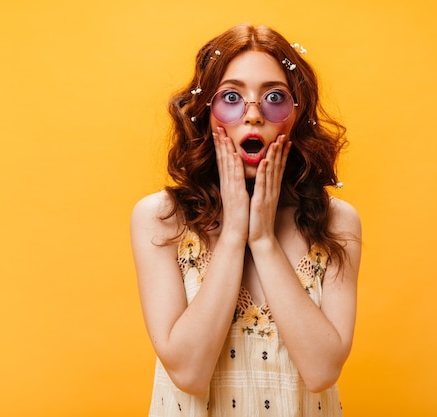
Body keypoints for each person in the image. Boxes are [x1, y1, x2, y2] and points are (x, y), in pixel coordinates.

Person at [130, 23, 362, 417]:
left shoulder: (337, 223)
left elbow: (322, 371)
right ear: (204, 113)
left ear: (296, 113)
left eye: (274, 97)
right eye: (232, 97)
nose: (252, 115)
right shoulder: (161, 219)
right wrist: (235, 233)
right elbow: (188, 372)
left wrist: (264, 242)